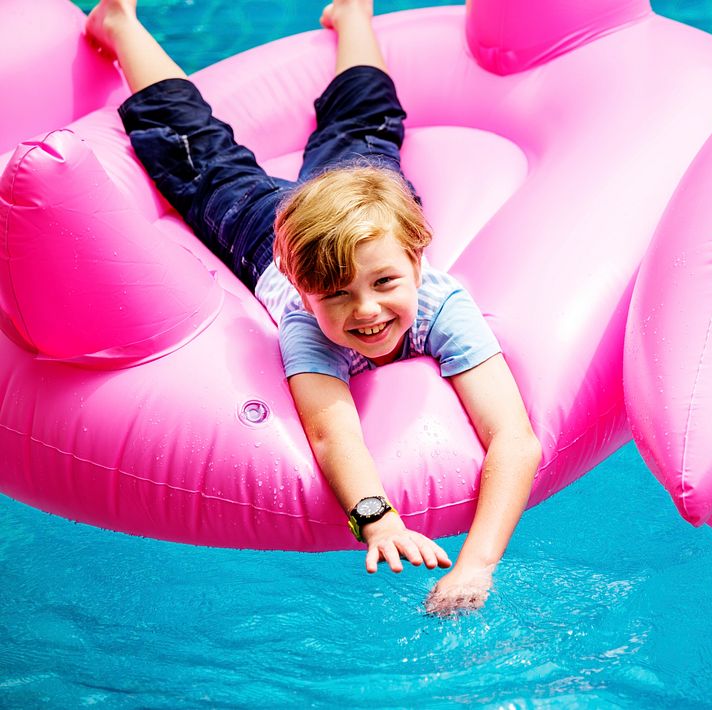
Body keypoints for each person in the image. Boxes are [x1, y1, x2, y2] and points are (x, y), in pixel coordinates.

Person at [85, 0, 542, 615]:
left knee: (369, 126)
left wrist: (476, 565)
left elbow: (514, 439)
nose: (367, 312)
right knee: (198, 155)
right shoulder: (308, 319)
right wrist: (377, 520)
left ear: (416, 253)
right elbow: (331, 432)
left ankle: (352, 14)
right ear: (305, 291)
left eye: (385, 283)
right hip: (270, 229)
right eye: (336, 295)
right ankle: (120, 23)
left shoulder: (438, 302)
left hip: (357, 203)